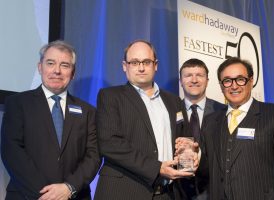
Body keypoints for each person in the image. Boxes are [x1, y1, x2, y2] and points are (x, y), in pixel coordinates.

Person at [94, 40, 198, 200]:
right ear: (124, 66)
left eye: (146, 62)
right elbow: (110, 144)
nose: (141, 68)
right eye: (134, 62)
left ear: (155, 65)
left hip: (167, 193)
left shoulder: (174, 101)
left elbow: (182, 139)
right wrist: (157, 168)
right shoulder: (110, 96)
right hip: (124, 192)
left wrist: (188, 162)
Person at [1, 40, 100, 200]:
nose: (57, 71)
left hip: (74, 196)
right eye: (50, 63)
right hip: (28, 196)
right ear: (40, 67)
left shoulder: (88, 111)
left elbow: (93, 156)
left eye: (65, 65)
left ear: (73, 73)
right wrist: (47, 195)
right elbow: (12, 152)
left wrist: (69, 188)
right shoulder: (17, 104)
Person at [200, 57, 274, 199]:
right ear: (221, 86)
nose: (234, 86)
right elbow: (206, 169)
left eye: (240, 79)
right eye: (227, 81)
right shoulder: (211, 121)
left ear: (251, 81)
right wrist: (191, 156)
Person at [178, 59, 226, 200]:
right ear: (181, 81)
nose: (194, 80)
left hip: (215, 189)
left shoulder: (222, 111)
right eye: (188, 75)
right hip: (180, 191)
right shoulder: (170, 110)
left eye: (199, 75)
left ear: (207, 80)